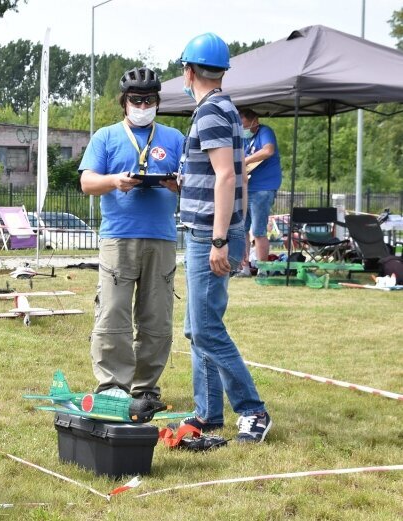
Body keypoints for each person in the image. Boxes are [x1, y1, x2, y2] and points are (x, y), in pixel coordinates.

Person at [178, 33, 272, 443]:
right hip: (214, 230)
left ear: (189, 71)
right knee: (196, 328)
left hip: (208, 237)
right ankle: (207, 414)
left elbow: (227, 175)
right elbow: (232, 178)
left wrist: (220, 241)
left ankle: (252, 410)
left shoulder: (211, 112)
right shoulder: (226, 109)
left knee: (207, 329)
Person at [79, 66, 184, 414]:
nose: (143, 105)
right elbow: (87, 182)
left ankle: (147, 387)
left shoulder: (173, 138)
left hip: (162, 239)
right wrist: (113, 181)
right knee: (113, 314)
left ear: (157, 102)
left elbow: (195, 179)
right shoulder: (106, 137)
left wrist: (178, 184)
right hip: (118, 238)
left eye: (150, 100)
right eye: (137, 100)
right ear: (124, 103)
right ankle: (112, 385)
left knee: (157, 317)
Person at [235, 108, 282, 277]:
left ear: (254, 120)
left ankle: (263, 269)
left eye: (244, 125)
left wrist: (245, 160)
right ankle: (244, 267)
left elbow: (268, 150)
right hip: (246, 187)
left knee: (258, 230)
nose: (243, 129)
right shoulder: (242, 138)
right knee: (241, 229)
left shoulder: (265, 132)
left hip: (262, 188)